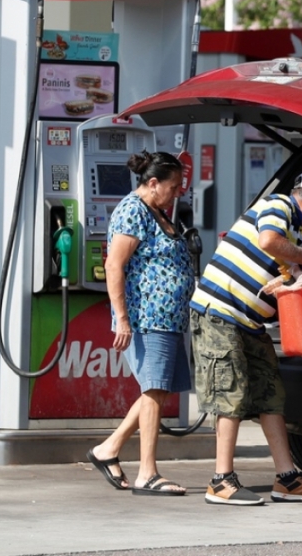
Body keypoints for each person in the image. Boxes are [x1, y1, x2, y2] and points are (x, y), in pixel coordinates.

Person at [189, 167, 302, 505]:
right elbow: (269, 241)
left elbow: (289, 278)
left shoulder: (300, 236)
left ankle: (288, 478)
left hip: (251, 323)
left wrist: (296, 277)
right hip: (220, 313)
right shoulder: (278, 206)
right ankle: (221, 480)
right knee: (232, 393)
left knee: (271, 393)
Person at [86, 150, 196, 496]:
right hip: (148, 317)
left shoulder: (157, 211)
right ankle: (147, 473)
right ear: (152, 183)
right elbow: (114, 265)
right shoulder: (133, 211)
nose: (178, 192)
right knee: (153, 390)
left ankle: (108, 450)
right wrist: (122, 319)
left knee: (156, 390)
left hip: (167, 318)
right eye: (174, 185)